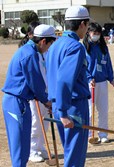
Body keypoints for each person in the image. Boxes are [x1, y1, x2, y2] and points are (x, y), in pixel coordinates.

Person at [2, 24, 56, 167]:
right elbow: (35, 81)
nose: (49, 48)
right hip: (16, 101)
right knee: (20, 145)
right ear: (43, 41)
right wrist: (46, 101)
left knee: (23, 144)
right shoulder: (30, 54)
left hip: (19, 100)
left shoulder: (28, 50)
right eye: (50, 44)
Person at [46, 6, 91, 167]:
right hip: (72, 107)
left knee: (69, 151)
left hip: (59, 104)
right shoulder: (75, 46)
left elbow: (51, 76)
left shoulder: (55, 45)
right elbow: (64, 80)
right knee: (75, 157)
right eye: (87, 26)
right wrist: (64, 111)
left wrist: (55, 103)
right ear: (82, 24)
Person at [19, 21, 52, 163]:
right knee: (35, 122)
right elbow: (33, 77)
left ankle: (40, 146)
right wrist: (40, 95)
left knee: (44, 122)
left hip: (46, 91)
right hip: (37, 94)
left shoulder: (44, 51)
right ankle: (32, 150)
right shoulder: (31, 53)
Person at [83, 22, 114, 143]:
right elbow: (82, 66)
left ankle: (103, 133)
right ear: (88, 33)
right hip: (90, 83)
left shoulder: (103, 47)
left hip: (102, 81)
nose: (96, 35)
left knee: (103, 109)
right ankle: (89, 133)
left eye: (98, 34)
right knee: (89, 109)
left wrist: (111, 79)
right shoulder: (83, 47)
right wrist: (89, 77)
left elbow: (107, 63)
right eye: (94, 33)